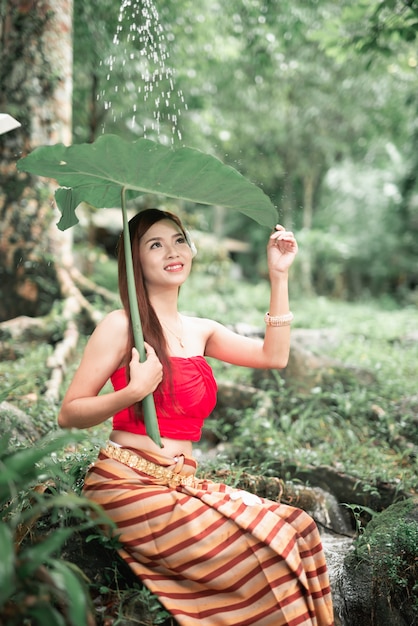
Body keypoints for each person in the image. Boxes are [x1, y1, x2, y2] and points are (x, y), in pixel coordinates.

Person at [58, 208, 334, 626]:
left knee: (299, 527)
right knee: (266, 550)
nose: (172, 251)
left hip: (182, 483)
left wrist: (279, 276)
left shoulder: (201, 329)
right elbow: (69, 414)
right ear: (135, 261)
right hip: (127, 485)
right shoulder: (120, 327)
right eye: (155, 244)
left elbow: (273, 357)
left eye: (179, 240)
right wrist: (133, 392)